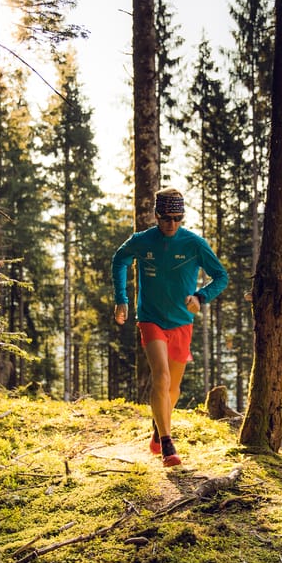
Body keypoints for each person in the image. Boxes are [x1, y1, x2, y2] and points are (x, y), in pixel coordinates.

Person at [111, 189, 228, 467]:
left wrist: (201, 297)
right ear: (156, 215)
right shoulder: (142, 241)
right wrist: (121, 299)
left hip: (181, 322)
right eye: (166, 218)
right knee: (161, 377)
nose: (171, 224)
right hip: (150, 318)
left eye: (177, 218)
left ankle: (158, 428)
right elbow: (120, 259)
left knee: (173, 388)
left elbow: (221, 276)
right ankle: (167, 444)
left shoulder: (193, 244)